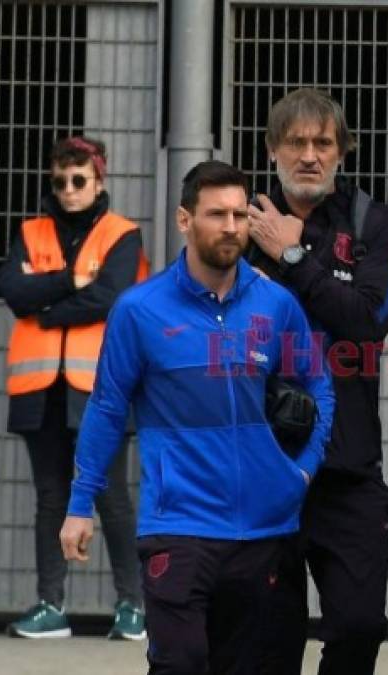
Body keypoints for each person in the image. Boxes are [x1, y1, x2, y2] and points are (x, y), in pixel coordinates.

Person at [59, 160, 335, 675]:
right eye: (216, 215)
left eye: (238, 214)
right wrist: (80, 503)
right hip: (179, 528)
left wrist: (302, 470)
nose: (230, 227)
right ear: (185, 220)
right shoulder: (139, 310)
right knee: (181, 663)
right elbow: (106, 409)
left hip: (265, 530)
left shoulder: (276, 305)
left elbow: (319, 384)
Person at [245, 88, 388, 674]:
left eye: (323, 143)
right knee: (266, 642)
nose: (309, 155)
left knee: (361, 625)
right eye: (296, 143)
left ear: (342, 152)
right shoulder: (240, 225)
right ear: (272, 151)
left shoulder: (376, 224)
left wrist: (292, 260)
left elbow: (366, 326)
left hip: (349, 469)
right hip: (262, 468)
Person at [0, 136, 148, 639]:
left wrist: (47, 306)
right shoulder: (31, 230)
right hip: (39, 386)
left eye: (78, 179)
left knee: (110, 495)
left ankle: (133, 606)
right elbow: (12, 292)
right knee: (50, 496)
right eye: (59, 180)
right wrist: (71, 280)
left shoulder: (122, 235)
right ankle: (50, 606)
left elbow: (112, 297)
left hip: (99, 387)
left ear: (99, 180)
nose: (67, 190)